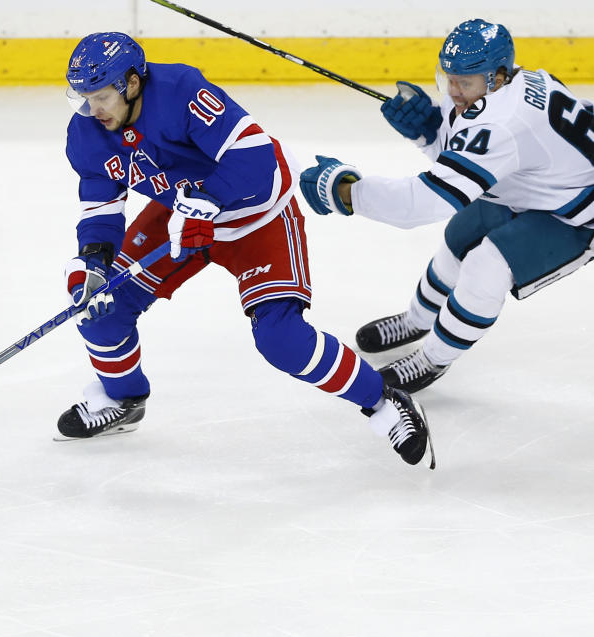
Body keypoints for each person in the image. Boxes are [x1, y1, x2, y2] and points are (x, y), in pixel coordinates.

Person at [58, 31, 435, 468]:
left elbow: (257, 158)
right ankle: (123, 400)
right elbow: (101, 205)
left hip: (255, 213)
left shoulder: (182, 92)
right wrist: (94, 261)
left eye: (101, 96)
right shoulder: (87, 133)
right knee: (101, 309)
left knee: (280, 339)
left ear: (133, 83)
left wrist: (208, 201)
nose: (92, 109)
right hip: (180, 216)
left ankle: (384, 401)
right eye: (82, 98)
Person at [299, 18, 594, 393]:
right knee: (460, 236)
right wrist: (431, 132)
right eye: (448, 78)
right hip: (532, 186)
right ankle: (417, 318)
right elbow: (475, 151)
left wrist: (347, 194)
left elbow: (423, 203)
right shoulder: (510, 88)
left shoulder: (502, 123)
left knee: (487, 266)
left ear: (498, 77)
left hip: (576, 216)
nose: (453, 91)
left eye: (464, 83)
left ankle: (431, 359)